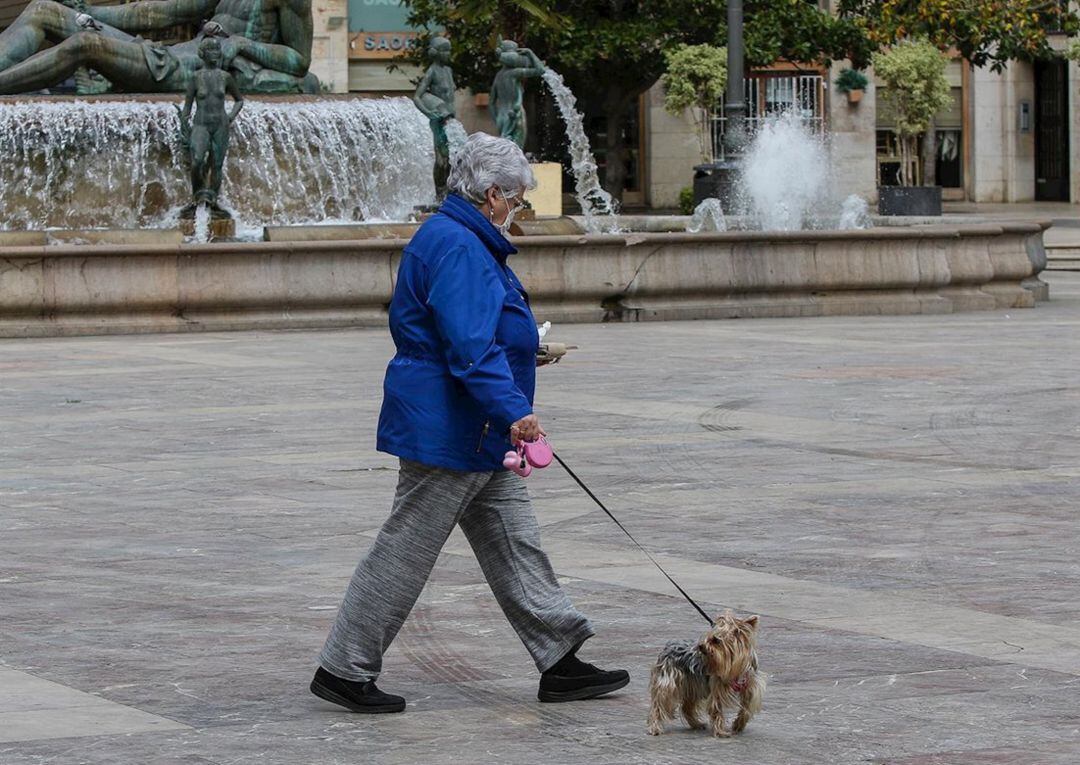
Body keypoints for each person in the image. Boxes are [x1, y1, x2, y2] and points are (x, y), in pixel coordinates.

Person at [312, 133, 629, 714]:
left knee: (515, 540)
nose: (517, 211)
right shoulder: (459, 246)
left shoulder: (463, 239)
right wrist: (515, 411)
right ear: (491, 194)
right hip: (454, 426)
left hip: (473, 425)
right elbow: (468, 349)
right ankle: (344, 667)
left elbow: (476, 336)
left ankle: (559, 657)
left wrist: (523, 354)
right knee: (405, 548)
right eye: (516, 200)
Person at [0, 0, 317, 94]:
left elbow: (300, 61)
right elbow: (161, 12)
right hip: (171, 56)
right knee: (44, 9)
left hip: (187, 70)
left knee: (86, 44)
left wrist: (243, 44)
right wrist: (92, 11)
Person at [178, 35, 244, 220]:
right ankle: (197, 195)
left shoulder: (226, 77)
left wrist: (230, 117)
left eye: (217, 50)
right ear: (202, 54)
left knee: (217, 165)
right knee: (197, 161)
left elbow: (239, 100)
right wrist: (183, 123)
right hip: (201, 124)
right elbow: (188, 106)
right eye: (211, 50)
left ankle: (213, 201)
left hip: (221, 125)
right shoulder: (195, 77)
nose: (215, 54)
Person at [412, 36, 456, 200]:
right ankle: (440, 192)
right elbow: (417, 97)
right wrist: (429, 113)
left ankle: (450, 192)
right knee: (441, 160)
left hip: (451, 120)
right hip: (438, 121)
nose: (449, 54)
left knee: (453, 160)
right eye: (446, 51)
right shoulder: (432, 71)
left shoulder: (448, 71)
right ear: (436, 53)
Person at [489, 39, 545, 147]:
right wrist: (530, 52)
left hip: (501, 115)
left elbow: (491, 102)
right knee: (516, 151)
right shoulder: (515, 73)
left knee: (506, 151)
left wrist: (496, 118)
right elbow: (540, 70)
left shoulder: (498, 76)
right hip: (514, 114)